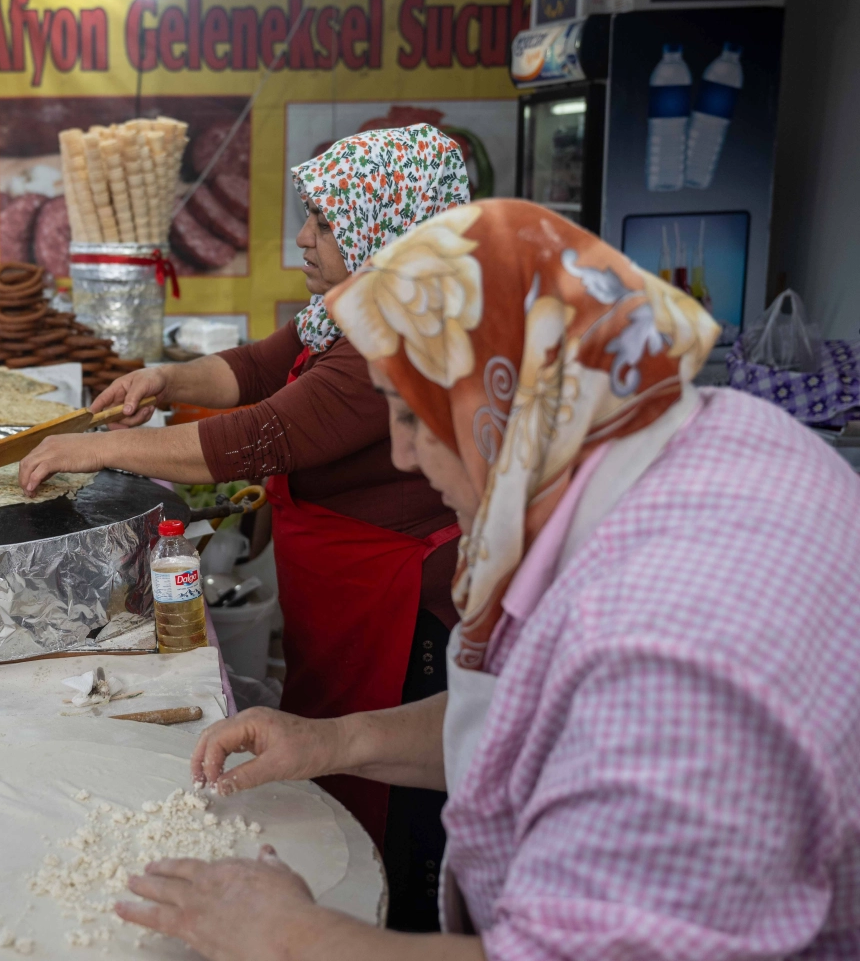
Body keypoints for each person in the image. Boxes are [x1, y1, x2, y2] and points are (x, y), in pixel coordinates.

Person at [117, 200, 860, 961]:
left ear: (504, 404)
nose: (405, 457)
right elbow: (537, 717)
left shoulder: (665, 647)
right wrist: (339, 740)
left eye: (413, 417)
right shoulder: (704, 427)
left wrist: (287, 935)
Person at [19, 125, 469, 927]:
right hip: (344, 585)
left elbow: (253, 439)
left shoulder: (389, 343)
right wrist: (165, 375)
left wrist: (93, 449)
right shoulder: (342, 315)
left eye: (326, 222)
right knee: (327, 747)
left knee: (391, 806)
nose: (303, 235)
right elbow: (257, 369)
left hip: (402, 614)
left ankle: (381, 926)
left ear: (384, 234)